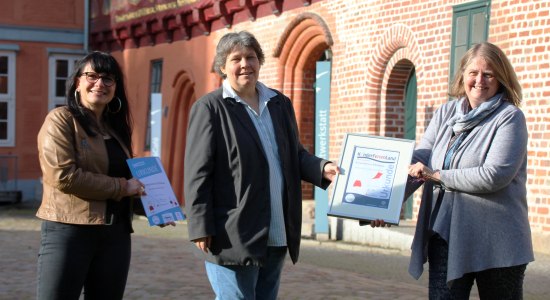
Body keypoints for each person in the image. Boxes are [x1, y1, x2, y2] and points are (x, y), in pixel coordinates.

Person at [184, 31, 340, 300]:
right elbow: (198, 173)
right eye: (236, 59)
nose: (245, 64)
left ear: (260, 62)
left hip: (276, 229)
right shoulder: (210, 108)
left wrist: (322, 168)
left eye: (251, 57)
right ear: (223, 67)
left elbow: (294, 154)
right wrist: (200, 226)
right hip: (232, 232)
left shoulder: (279, 103)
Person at [379, 42, 534, 299]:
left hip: (497, 241)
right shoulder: (446, 113)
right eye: (473, 72)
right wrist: (387, 203)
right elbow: (422, 157)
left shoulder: (510, 118)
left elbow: (494, 175)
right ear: (463, 75)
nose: (479, 80)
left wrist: (436, 176)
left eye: (489, 74)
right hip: (447, 234)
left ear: (501, 79)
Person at [36, 51, 146, 299]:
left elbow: (128, 181)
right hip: (70, 231)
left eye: (108, 78)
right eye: (92, 76)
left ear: (116, 87)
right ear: (77, 82)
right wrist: (122, 187)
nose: (100, 84)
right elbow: (63, 176)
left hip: (116, 235)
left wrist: (155, 207)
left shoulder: (116, 129)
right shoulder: (61, 120)